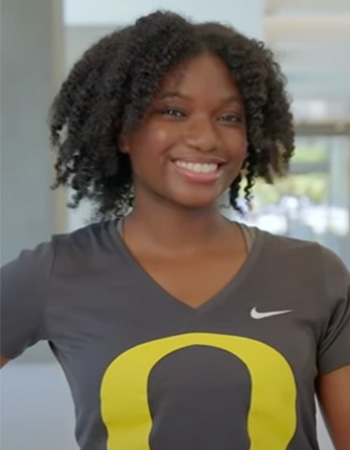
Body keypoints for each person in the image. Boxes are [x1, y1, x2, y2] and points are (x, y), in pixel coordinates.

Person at [1, 10, 349, 450]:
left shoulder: (313, 274)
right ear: (122, 131)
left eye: (230, 117)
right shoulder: (56, 272)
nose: (205, 138)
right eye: (173, 111)